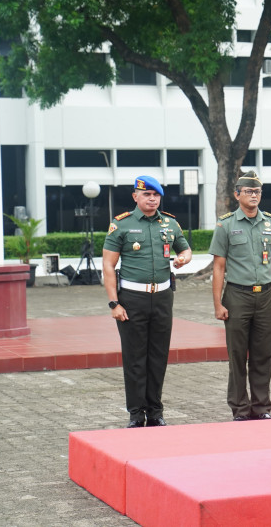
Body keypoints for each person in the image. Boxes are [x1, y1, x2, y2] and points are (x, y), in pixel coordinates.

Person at [102, 176, 192, 428]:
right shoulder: (121, 225)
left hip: (162, 297)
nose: (152, 199)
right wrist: (114, 303)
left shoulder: (170, 223)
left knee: (158, 356)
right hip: (132, 299)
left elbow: (185, 249)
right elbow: (108, 266)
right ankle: (135, 412)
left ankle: (155, 411)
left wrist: (183, 258)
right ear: (135, 197)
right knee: (134, 358)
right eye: (147, 195)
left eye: (156, 195)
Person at [209, 171, 271, 422]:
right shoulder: (226, 224)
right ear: (237, 194)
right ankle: (240, 408)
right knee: (238, 354)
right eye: (249, 191)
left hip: (265, 296)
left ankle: (261, 406)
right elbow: (219, 267)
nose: (254, 196)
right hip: (237, 295)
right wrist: (218, 303)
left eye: (257, 192)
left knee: (264, 354)